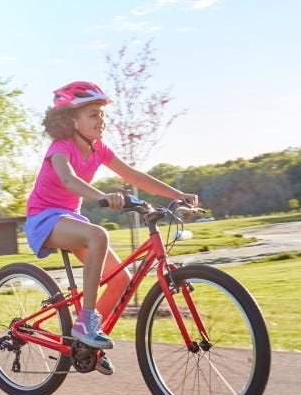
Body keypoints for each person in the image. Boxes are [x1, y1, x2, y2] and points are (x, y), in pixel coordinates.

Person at [24, 81, 198, 375]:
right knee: (98, 234)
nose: (101, 121)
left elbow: (134, 175)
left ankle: (87, 344)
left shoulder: (99, 150)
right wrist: (101, 196)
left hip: (70, 220)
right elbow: (68, 180)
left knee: (122, 281)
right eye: (93, 114)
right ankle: (85, 321)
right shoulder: (59, 148)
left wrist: (176, 195)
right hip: (44, 219)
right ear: (70, 121)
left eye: (102, 115)